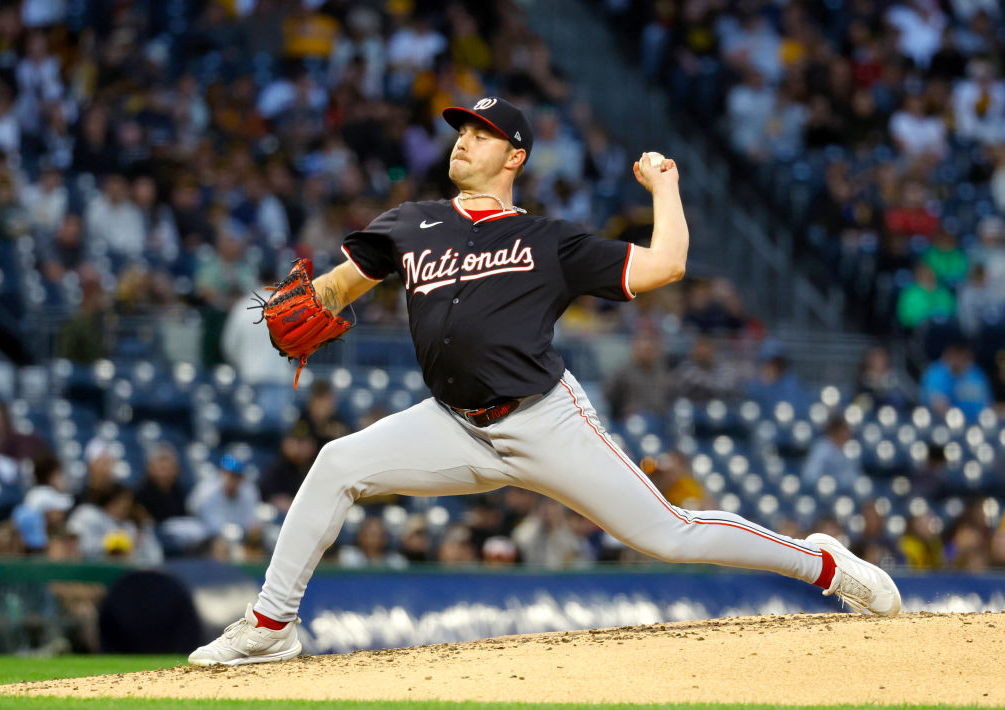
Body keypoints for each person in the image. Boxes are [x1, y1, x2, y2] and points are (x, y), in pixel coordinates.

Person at [189, 96, 900, 667]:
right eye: (461, 128)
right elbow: (341, 286)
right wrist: (316, 303)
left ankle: (824, 564)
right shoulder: (412, 223)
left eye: (483, 132)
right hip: (454, 424)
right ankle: (269, 624)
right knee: (335, 461)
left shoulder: (548, 241)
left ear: (515, 156)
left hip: (544, 419)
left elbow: (667, 265)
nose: (464, 139)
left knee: (671, 534)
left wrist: (666, 186)